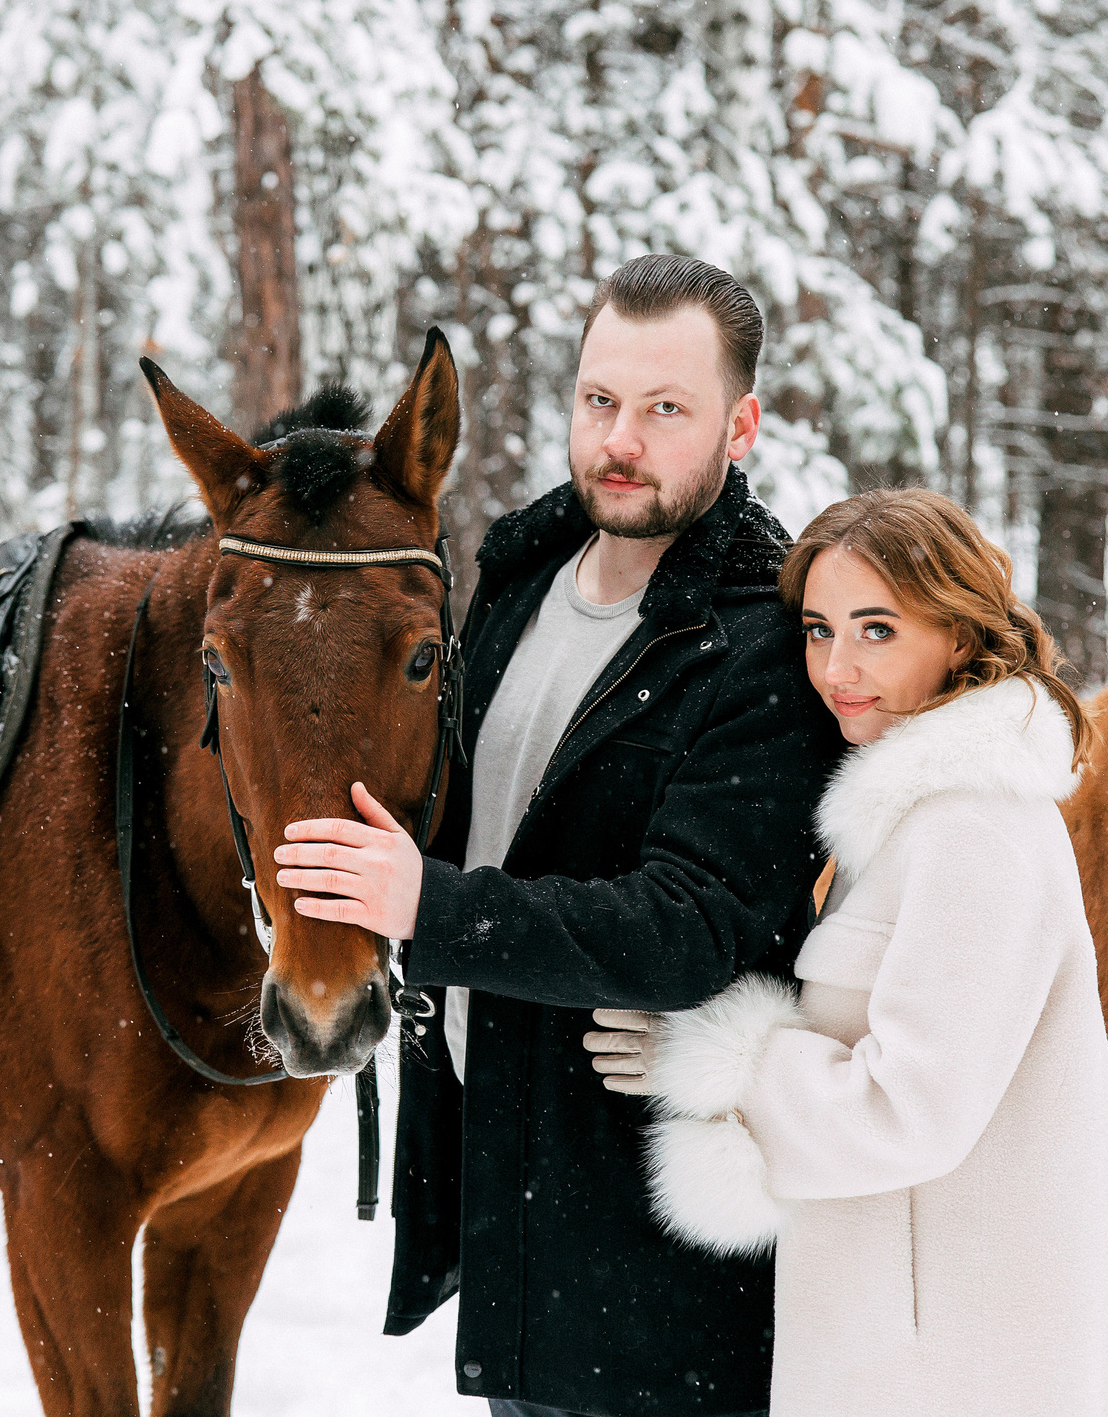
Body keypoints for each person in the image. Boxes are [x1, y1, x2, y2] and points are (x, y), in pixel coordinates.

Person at [274, 254, 843, 1417]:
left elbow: (688, 928)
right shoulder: (515, 578)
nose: (619, 440)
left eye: (665, 409)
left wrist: (427, 908)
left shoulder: (761, 643)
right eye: (599, 400)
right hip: (510, 1196)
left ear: (739, 427)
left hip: (653, 1254)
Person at [586, 489, 1108, 1416]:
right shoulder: (912, 817)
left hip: (961, 1367)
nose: (836, 667)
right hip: (920, 1339)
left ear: (959, 636)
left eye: (876, 630)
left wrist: (723, 1061)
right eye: (819, 629)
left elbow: (907, 1109)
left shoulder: (973, 827)